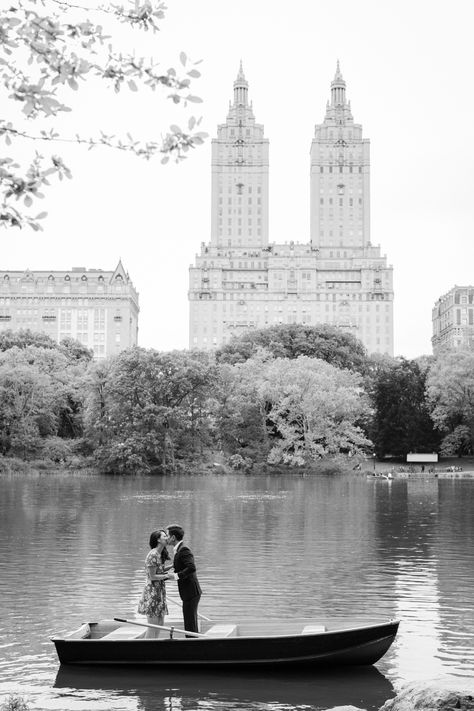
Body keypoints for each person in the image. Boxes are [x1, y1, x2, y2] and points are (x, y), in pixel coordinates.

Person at [166, 524, 202, 635]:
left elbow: (191, 567)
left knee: (190, 624)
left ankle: (192, 646)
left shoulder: (184, 549)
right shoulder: (178, 549)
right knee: (190, 622)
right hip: (188, 592)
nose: (166, 538)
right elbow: (180, 565)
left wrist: (176, 576)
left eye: (167, 535)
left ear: (173, 537)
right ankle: (193, 643)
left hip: (191, 592)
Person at [137, 530, 171, 638]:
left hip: (159, 592)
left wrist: (172, 567)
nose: (167, 537)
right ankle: (147, 650)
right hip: (152, 593)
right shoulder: (153, 554)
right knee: (153, 625)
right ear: (158, 540)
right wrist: (167, 576)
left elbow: (158, 571)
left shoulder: (159, 554)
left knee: (160, 624)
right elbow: (152, 577)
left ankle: (154, 647)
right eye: (164, 536)